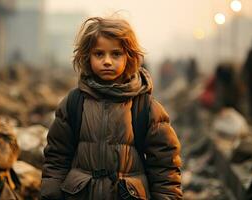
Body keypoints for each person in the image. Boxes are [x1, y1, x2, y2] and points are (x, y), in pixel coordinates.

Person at [41, 16, 182, 199]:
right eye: (99, 54)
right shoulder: (74, 103)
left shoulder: (145, 107)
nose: (107, 61)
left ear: (129, 57)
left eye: (116, 54)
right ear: (87, 57)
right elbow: (56, 158)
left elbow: (165, 166)